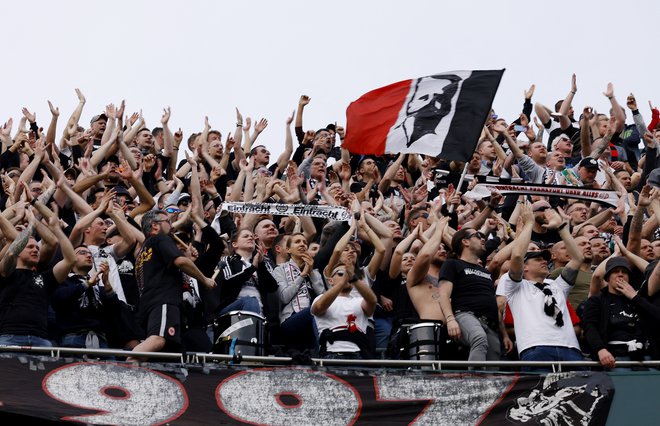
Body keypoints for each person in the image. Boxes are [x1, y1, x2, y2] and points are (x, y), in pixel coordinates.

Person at [497, 204, 585, 365]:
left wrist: (562, 227)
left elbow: (578, 259)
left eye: (544, 258)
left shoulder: (556, 285)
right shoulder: (516, 286)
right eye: (537, 259)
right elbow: (517, 256)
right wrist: (529, 224)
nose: (544, 261)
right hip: (535, 348)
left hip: (570, 348)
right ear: (525, 267)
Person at [130, 210, 216, 357]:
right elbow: (180, 262)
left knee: (154, 354)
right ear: (155, 226)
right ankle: (124, 367)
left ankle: (132, 370)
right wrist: (205, 279)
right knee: (158, 340)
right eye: (168, 222)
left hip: (148, 306)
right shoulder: (161, 239)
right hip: (164, 301)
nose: (172, 227)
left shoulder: (142, 252)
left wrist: (187, 257)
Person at [0, 211, 75, 346]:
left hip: (41, 339)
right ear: (19, 250)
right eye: (30, 247)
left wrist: (57, 230)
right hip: (9, 336)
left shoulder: (45, 277)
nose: (35, 250)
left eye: (37, 248)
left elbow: (70, 260)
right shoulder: (7, 272)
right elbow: (11, 253)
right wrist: (31, 227)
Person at [438, 226, 512, 362]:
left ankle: (487, 383)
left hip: (491, 323)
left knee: (494, 360)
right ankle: (474, 382)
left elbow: (493, 303)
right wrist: (450, 319)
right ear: (465, 242)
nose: (482, 238)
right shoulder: (452, 264)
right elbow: (443, 294)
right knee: (479, 338)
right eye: (477, 235)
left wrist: (504, 334)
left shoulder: (486, 272)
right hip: (466, 315)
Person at [582, 256, 659, 369]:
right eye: (615, 271)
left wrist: (635, 298)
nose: (620, 274)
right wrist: (600, 349)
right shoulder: (597, 300)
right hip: (613, 359)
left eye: (624, 272)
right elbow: (590, 327)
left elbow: (656, 317)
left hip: (645, 358)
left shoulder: (639, 299)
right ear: (607, 278)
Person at [311, 263, 377, 359]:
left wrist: (354, 278)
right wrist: (342, 283)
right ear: (330, 280)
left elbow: (372, 301)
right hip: (332, 354)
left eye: (349, 274)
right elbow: (318, 307)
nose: (346, 277)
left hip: (359, 355)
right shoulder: (320, 298)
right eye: (341, 273)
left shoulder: (358, 301)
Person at [272, 233, 325, 350]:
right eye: (297, 242)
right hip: (290, 320)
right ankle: (324, 353)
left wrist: (311, 272)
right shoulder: (279, 270)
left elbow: (323, 296)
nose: (302, 244)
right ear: (288, 249)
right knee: (314, 310)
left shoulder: (314, 272)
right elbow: (284, 297)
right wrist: (302, 275)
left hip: (312, 320)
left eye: (304, 242)